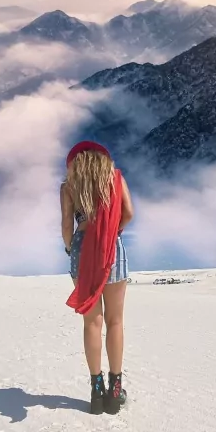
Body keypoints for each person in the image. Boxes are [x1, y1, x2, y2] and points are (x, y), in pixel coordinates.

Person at [60, 141, 135, 415]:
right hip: (111, 247)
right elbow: (128, 213)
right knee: (115, 321)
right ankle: (115, 392)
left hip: (82, 249)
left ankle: (96, 390)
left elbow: (67, 224)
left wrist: (71, 248)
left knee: (92, 322)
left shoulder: (69, 186)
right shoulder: (114, 178)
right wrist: (112, 231)